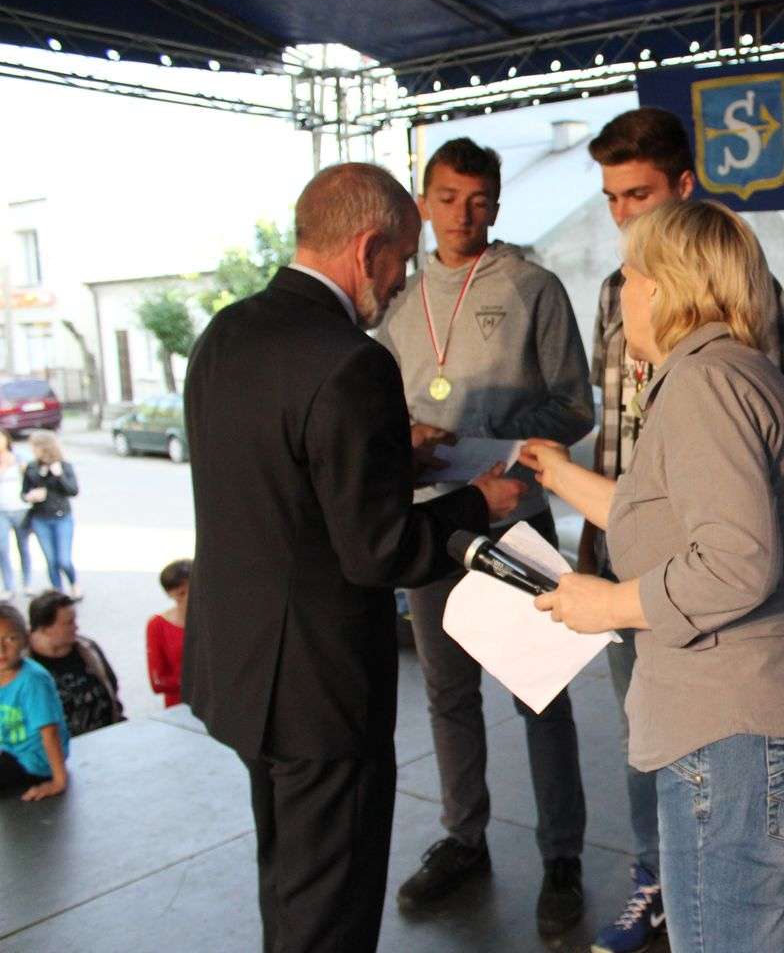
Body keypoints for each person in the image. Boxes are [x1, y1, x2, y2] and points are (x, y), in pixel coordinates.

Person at [183, 161, 524, 953]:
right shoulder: (352, 360)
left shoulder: (226, 332)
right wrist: (478, 503)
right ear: (368, 249)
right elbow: (380, 552)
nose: (402, 281)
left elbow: (274, 477)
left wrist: (386, 457)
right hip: (319, 688)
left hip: (240, 667)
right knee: (331, 911)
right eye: (401, 259)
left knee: (289, 882)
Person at [524, 199, 784, 953]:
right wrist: (556, 471)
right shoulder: (737, 372)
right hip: (771, 725)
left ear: (664, 285)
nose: (621, 295)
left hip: (736, 737)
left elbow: (736, 559)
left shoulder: (703, 385)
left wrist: (611, 604)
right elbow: (673, 518)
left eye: (628, 276)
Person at [580, 105, 784, 953]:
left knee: (714, 763)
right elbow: (615, 425)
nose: (623, 215)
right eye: (611, 199)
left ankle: (699, 885)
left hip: (706, 582)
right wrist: (599, 519)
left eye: (638, 195)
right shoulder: (614, 290)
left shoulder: (737, 308)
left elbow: (743, 497)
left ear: (685, 188)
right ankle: (657, 878)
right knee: (646, 729)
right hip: (629, 543)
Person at [375, 136, 596, 933]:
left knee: (540, 694)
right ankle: (463, 837)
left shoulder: (532, 287)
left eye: (477, 201)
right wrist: (406, 438)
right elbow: (375, 409)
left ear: (496, 205)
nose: (461, 215)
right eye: (446, 199)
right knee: (447, 695)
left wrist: (491, 440)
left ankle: (562, 855)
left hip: (507, 518)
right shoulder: (398, 301)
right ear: (423, 203)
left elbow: (575, 406)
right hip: (431, 520)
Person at [27, 590, 123, 736]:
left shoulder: (89, 650)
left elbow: (112, 689)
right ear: (44, 628)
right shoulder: (21, 664)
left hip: (105, 736)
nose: (76, 627)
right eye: (69, 623)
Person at [0, 604, 68, 801]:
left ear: (25, 639)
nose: (2, 649)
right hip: (10, 751)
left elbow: (49, 732)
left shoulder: (33, 680)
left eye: (10, 638)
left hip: (34, 760)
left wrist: (59, 781)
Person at [22, 430, 78, 597]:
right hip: (40, 518)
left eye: (35, 447)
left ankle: (74, 583)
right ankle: (58, 593)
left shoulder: (63, 466)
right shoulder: (32, 467)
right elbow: (24, 492)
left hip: (62, 517)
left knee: (63, 559)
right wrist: (30, 496)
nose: (33, 450)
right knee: (51, 559)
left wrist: (59, 475)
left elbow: (73, 490)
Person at [146, 558, 191, 707]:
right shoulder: (158, 625)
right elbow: (158, 682)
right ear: (173, 594)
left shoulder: (213, 622)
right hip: (180, 706)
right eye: (182, 593)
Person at [0, 432, 35, 598]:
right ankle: (9, 586)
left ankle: (27, 583)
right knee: (2, 548)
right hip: (2, 510)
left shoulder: (19, 457)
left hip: (21, 508)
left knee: (23, 547)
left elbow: (33, 478)